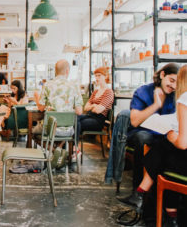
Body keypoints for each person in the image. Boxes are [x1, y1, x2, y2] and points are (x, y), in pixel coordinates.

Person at [119, 65, 187, 227]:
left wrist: (171, 134)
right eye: (171, 80)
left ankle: (141, 194)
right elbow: (135, 121)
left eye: (177, 82)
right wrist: (156, 105)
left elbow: (182, 142)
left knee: (163, 151)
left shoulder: (182, 99)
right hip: (156, 140)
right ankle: (168, 214)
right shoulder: (144, 92)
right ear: (162, 75)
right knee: (153, 143)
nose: (173, 86)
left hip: (175, 148)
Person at [33, 59, 83, 161]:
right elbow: (79, 111)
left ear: (55, 71)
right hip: (68, 130)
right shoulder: (74, 86)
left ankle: (55, 151)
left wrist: (37, 98)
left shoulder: (47, 85)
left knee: (32, 132)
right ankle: (59, 151)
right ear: (67, 71)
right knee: (63, 133)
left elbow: (41, 108)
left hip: (50, 129)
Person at [77, 67, 114, 141]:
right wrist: (94, 106)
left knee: (77, 123)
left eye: (99, 75)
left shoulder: (109, 92)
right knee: (74, 118)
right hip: (89, 116)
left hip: (98, 120)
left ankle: (74, 146)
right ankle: (72, 146)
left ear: (105, 76)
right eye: (96, 76)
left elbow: (98, 110)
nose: (97, 78)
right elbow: (85, 108)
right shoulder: (95, 91)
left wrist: (92, 106)